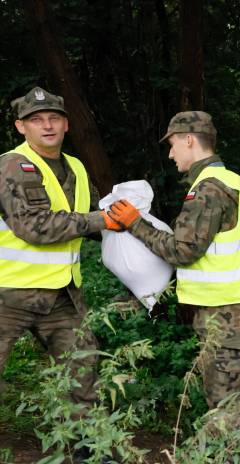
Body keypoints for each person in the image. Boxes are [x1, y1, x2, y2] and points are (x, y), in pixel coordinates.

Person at [108, 111, 240, 459]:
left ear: (190, 139)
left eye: (173, 144)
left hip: (225, 314)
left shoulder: (208, 189)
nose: (170, 154)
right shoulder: (237, 181)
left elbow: (183, 250)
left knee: (225, 400)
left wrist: (136, 224)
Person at [0, 87, 122, 459]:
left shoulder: (77, 167)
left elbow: (97, 216)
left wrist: (138, 228)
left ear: (67, 124)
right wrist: (103, 219)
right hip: (9, 292)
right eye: (37, 120)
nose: (47, 125)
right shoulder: (12, 165)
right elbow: (34, 226)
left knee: (83, 368)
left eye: (54, 117)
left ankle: (86, 448)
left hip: (62, 294)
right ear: (22, 126)